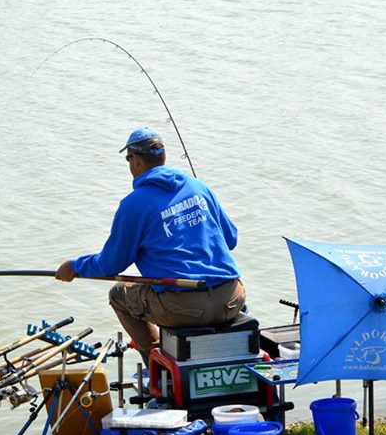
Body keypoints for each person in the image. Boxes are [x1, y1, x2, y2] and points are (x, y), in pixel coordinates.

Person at [55, 127, 245, 367]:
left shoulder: (134, 204)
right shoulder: (199, 187)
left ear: (135, 160)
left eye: (128, 159)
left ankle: (158, 366)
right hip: (232, 298)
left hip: (183, 309)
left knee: (118, 294)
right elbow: (231, 240)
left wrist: (75, 266)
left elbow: (111, 263)